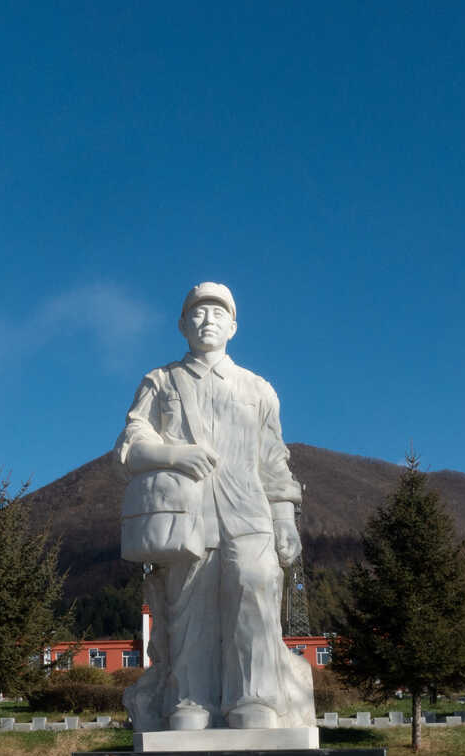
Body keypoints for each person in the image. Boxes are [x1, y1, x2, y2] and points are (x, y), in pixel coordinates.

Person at [115, 282, 315, 730]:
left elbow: (274, 459)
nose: (208, 321)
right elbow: (129, 444)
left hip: (248, 506)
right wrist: (173, 454)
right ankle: (190, 699)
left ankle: (254, 697)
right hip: (187, 512)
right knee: (190, 601)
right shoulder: (161, 381)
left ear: (233, 327)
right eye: (199, 313)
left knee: (254, 587)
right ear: (182, 324)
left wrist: (284, 517)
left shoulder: (258, 389)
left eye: (219, 314)